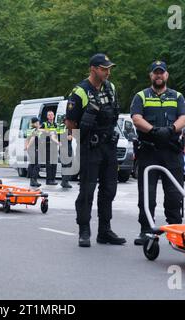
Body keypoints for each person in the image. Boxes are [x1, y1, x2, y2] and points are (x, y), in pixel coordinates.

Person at [65, 53, 126, 247]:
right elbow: (70, 123)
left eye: (109, 69)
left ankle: (104, 231)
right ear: (93, 69)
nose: (107, 72)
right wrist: (85, 136)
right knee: (87, 190)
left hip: (109, 145)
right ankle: (84, 230)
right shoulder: (80, 92)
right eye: (103, 68)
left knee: (109, 189)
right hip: (90, 147)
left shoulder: (111, 88)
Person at [131, 60, 185, 245]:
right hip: (149, 150)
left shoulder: (177, 96)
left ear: (166, 75)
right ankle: (146, 230)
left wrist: (171, 129)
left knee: (174, 194)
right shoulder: (141, 96)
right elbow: (136, 118)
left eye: (161, 72)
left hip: (172, 153)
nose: (158, 75)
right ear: (151, 75)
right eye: (155, 72)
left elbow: (184, 117)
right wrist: (154, 131)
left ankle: (176, 231)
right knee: (147, 193)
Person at [41, 111, 59, 185]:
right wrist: (46, 131)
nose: (51, 116)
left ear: (54, 116)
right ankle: (48, 180)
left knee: (54, 163)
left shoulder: (56, 124)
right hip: (47, 145)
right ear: (47, 117)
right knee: (49, 164)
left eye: (52, 114)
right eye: (49, 115)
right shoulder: (44, 124)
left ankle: (53, 179)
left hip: (54, 145)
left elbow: (59, 133)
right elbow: (39, 130)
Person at [25, 117, 43, 187]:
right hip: (33, 148)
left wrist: (26, 147)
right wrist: (28, 146)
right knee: (37, 164)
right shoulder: (35, 130)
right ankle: (33, 180)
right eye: (38, 122)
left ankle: (32, 180)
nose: (38, 123)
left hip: (31, 149)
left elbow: (27, 139)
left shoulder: (30, 129)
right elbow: (32, 139)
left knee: (33, 164)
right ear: (35, 123)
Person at [57, 115, 73, 188]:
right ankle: (65, 181)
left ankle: (64, 181)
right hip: (65, 147)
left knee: (65, 164)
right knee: (68, 164)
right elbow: (67, 137)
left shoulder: (61, 127)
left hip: (63, 147)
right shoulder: (64, 127)